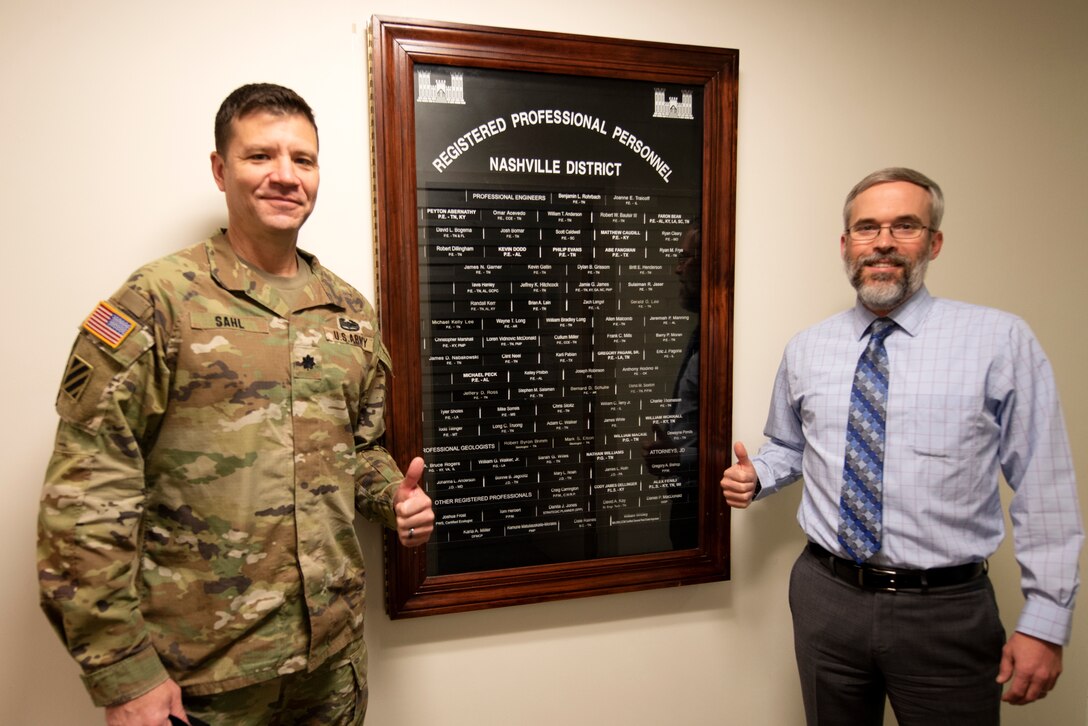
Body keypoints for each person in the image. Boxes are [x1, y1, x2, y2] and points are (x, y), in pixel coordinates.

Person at [37, 83, 434, 726]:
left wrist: (392, 495)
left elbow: (356, 451)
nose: (285, 176)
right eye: (260, 157)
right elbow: (86, 495)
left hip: (330, 666)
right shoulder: (158, 302)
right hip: (201, 680)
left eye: (302, 160)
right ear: (221, 169)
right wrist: (123, 674)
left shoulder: (349, 312)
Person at [720, 167, 1082, 725]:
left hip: (945, 612)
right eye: (867, 228)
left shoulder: (999, 341)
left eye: (904, 226)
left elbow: (1046, 485)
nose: (883, 241)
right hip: (826, 599)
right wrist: (759, 476)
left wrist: (1046, 621)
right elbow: (789, 448)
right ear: (846, 245)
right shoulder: (808, 348)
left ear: (933, 241)